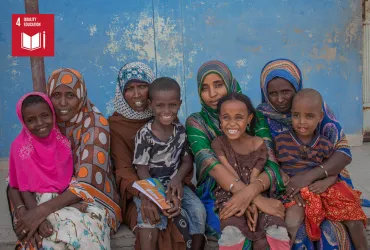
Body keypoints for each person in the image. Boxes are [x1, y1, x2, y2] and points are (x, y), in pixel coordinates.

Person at [255, 58, 365, 249]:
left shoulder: (317, 108)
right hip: (285, 186)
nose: (279, 99)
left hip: (323, 181)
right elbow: (266, 158)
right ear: (265, 93)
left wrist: (310, 178)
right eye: (272, 93)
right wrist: (290, 184)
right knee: (294, 227)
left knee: (338, 227)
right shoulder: (260, 117)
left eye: (286, 91)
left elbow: (343, 152)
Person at [8, 68, 122, 250]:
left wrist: (40, 212)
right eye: (56, 95)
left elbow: (87, 184)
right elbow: (16, 180)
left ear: (81, 95)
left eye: (70, 95)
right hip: (44, 197)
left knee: (77, 229)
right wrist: (27, 212)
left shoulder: (95, 125)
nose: (62, 103)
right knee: (38, 233)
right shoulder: (44, 123)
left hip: (91, 198)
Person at [185, 60, 286, 249]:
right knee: (236, 233)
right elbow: (211, 165)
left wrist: (251, 192)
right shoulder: (196, 122)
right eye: (205, 88)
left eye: (218, 85)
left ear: (230, 84)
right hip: (217, 194)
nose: (212, 94)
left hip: (260, 185)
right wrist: (254, 199)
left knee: (269, 234)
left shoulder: (255, 118)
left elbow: (272, 164)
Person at [108, 62, 195, 250]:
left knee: (190, 215)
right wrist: (148, 195)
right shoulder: (116, 125)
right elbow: (124, 170)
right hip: (136, 192)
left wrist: (176, 187)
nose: (137, 94)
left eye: (142, 86)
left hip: (169, 186)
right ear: (121, 93)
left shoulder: (167, 117)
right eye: (130, 88)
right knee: (150, 217)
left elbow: (181, 159)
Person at [275, 88, 367, 249]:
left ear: (320, 117)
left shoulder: (325, 143)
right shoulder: (281, 141)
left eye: (309, 116)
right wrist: (282, 176)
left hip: (324, 190)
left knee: (354, 218)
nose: (302, 122)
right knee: (291, 222)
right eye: (296, 115)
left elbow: (334, 171)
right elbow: (274, 164)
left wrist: (326, 183)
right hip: (295, 193)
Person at [133, 77, 206, 250]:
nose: (166, 111)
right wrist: (156, 195)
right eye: (160, 105)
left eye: (172, 105)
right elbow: (141, 170)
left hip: (175, 184)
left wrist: (177, 180)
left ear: (179, 104)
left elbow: (187, 161)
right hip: (151, 184)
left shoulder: (180, 131)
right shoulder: (144, 135)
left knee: (198, 210)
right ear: (151, 104)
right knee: (148, 216)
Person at [211, 92, 290, 250]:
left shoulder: (258, 143)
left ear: (249, 119)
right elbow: (229, 173)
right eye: (226, 117)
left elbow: (256, 175)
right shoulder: (218, 143)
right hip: (230, 196)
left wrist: (251, 199)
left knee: (276, 228)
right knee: (231, 231)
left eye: (239, 117)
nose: (231, 123)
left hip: (258, 193)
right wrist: (248, 201)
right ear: (219, 119)